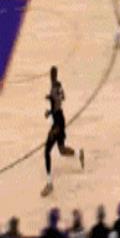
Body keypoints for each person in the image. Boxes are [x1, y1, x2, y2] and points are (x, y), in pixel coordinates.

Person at [41, 66, 84, 197]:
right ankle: (78, 154)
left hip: (57, 123)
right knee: (61, 150)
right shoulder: (59, 85)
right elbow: (63, 98)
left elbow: (56, 102)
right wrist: (51, 105)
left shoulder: (54, 87)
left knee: (47, 151)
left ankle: (49, 184)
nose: (51, 76)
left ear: (52, 75)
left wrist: (50, 103)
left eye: (51, 74)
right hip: (60, 119)